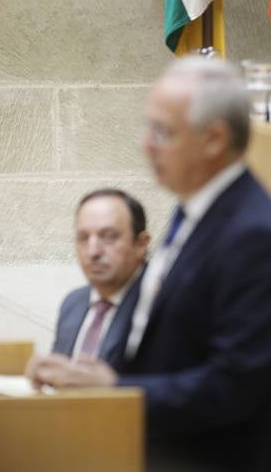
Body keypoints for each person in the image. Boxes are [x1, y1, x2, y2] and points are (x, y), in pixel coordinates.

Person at [27, 57, 271, 472]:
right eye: (146, 127)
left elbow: (236, 387)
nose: (146, 145)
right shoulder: (193, 210)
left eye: (162, 132)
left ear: (213, 139)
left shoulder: (252, 233)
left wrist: (118, 389)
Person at [52, 189, 149, 364]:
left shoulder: (161, 305)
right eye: (83, 238)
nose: (93, 251)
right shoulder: (72, 303)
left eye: (109, 237)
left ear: (141, 244)